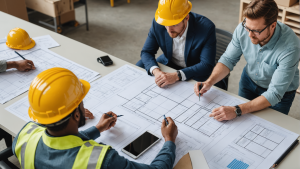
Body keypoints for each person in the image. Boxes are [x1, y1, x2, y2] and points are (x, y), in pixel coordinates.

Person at [12, 67, 178, 169]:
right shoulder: (103, 160)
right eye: (81, 102)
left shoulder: (25, 134)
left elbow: (61, 145)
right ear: (77, 114)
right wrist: (169, 140)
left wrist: (98, 129)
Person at [194, 0, 300, 121]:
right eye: (247, 28)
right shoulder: (243, 29)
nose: (249, 35)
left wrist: (236, 110)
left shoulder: (290, 48)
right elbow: (228, 59)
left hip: (280, 94)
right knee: (242, 123)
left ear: (272, 26)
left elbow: (274, 93)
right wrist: (209, 82)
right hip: (248, 82)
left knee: (269, 129)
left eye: (256, 30)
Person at [136, 0, 226, 90]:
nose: (169, 30)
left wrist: (176, 75)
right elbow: (147, 52)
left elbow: (206, 65)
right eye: (166, 25)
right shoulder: (158, 22)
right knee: (140, 65)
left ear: (187, 17)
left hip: (195, 70)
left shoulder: (207, 28)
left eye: (174, 25)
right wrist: (156, 71)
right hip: (169, 62)